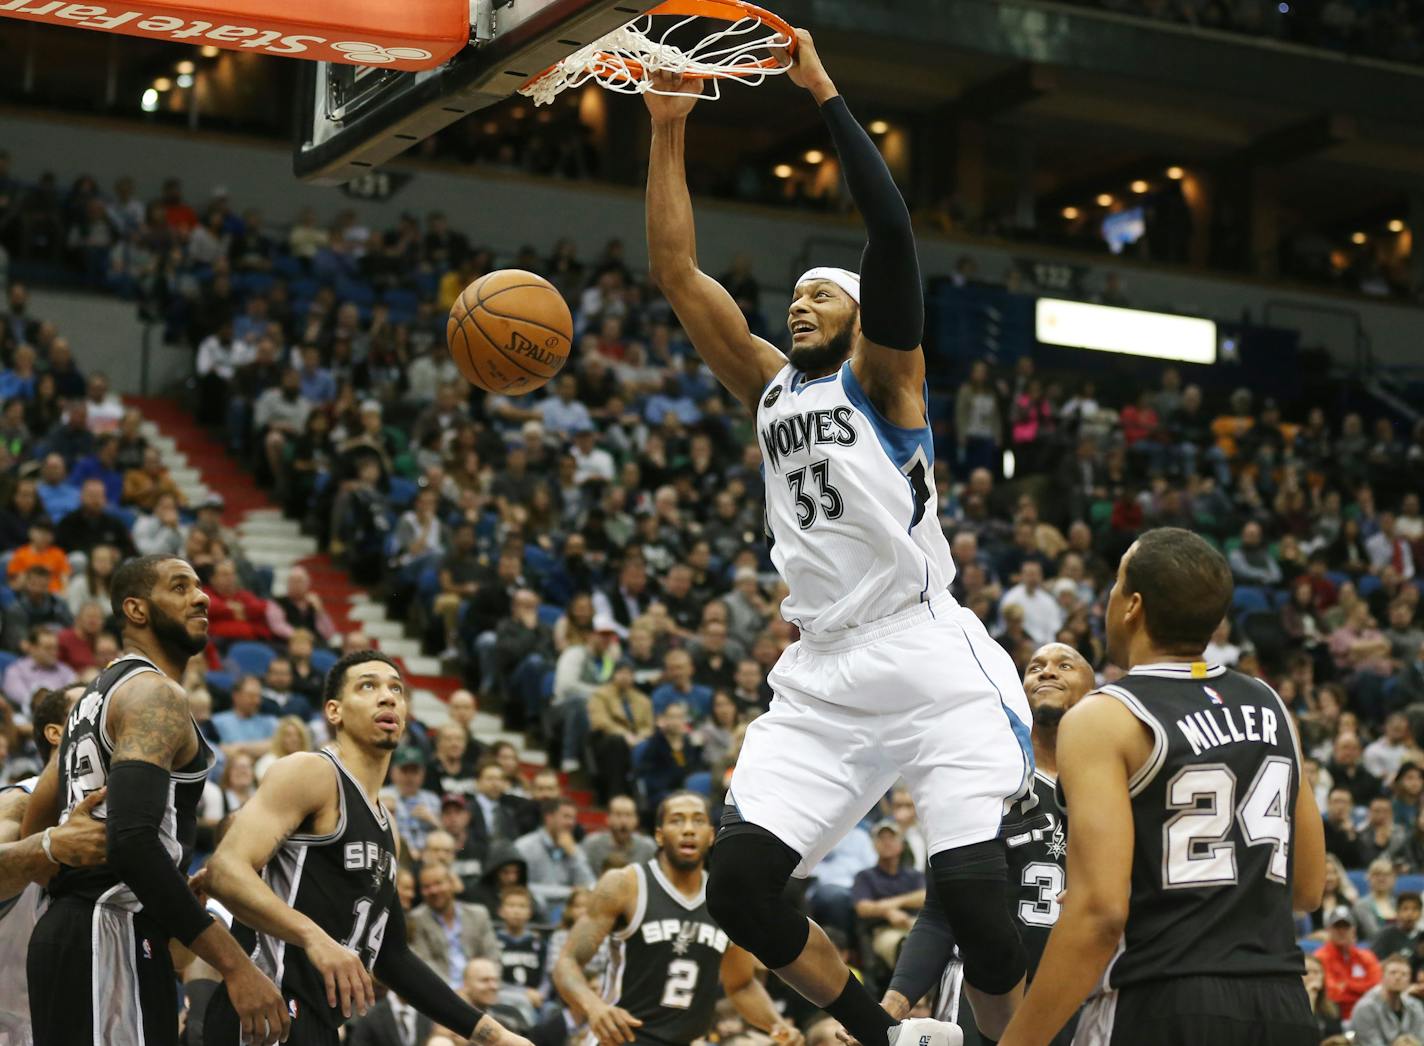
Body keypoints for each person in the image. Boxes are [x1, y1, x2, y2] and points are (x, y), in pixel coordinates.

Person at [644, 33, 1031, 1046]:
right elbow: (676, 270)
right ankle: (878, 1031)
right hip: (821, 666)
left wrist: (821, 91)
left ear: (861, 319)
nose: (799, 301)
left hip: (922, 647)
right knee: (738, 884)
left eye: (822, 293)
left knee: (981, 916)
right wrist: (668, 129)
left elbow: (892, 234)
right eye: (797, 294)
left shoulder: (886, 380)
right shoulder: (770, 383)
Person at [999, 528, 1326, 1046]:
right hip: (1283, 1001)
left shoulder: (1105, 717)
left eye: (1114, 583)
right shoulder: (1271, 704)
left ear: (1132, 606)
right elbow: (1308, 887)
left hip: (1165, 1000)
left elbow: (1100, 914)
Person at [199, 649, 535, 1046]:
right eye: (368, 686)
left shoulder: (386, 825)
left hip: (320, 1024)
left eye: (396, 688)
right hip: (267, 1009)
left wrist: (492, 1034)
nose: (388, 696)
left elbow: (393, 958)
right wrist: (314, 937)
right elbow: (224, 870)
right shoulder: (312, 772)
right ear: (334, 712)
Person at [24, 554, 289, 1046]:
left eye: (200, 585)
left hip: (82, 926)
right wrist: (236, 966)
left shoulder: (92, 697)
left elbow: (40, 813)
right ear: (137, 610)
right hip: (109, 928)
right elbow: (131, 842)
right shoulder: (154, 695)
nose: (203, 596)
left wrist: (65, 868)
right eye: (180, 587)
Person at [886, 643, 1096, 1046]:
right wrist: (892, 1005)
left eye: (1064, 665)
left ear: (1095, 692)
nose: (1047, 672)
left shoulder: (1115, 790)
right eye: (1035, 667)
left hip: (1079, 995)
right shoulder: (983, 782)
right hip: (982, 993)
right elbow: (939, 914)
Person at [552, 791, 803, 1046]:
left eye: (697, 820)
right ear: (659, 835)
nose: (688, 829)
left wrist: (776, 1024)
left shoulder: (726, 902)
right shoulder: (624, 885)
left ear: (711, 835)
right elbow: (567, 962)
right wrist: (594, 1007)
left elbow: (740, 985)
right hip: (620, 1039)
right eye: (676, 820)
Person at [0, 681, 105, 1046]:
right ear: (55, 732)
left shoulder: (124, 816)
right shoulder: (18, 802)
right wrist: (47, 846)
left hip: (84, 1021)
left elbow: (178, 959)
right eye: (90, 705)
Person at [408, 861, 502, 990]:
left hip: (482, 989)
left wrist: (483, 985)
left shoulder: (478, 914)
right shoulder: (416, 919)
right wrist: (454, 993)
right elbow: (424, 964)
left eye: (438, 883)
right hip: (442, 991)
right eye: (426, 887)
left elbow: (493, 957)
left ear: (452, 884)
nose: (433, 891)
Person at [514, 797, 594, 914]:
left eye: (573, 818)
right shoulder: (525, 846)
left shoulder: (574, 849)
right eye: (566, 817)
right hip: (535, 912)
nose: (571, 823)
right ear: (549, 818)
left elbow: (590, 886)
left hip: (569, 915)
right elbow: (521, 887)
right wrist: (567, 892)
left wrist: (574, 855)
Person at [1349, 955, 1424, 1046]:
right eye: (1393, 973)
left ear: (1409, 980)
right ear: (1382, 975)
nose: (1398, 977)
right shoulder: (1365, 1008)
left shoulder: (1415, 1006)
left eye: (1404, 974)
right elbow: (1372, 1044)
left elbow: (1420, 1041)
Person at [581, 794, 657, 874]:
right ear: (607, 818)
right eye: (618, 815)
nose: (623, 821)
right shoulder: (592, 845)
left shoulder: (648, 847)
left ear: (637, 820)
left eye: (628, 815)